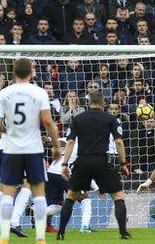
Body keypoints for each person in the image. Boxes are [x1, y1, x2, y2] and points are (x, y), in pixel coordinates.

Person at [0, 57, 61, 244]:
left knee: (7, 193)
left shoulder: (4, 93)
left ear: (14, 72)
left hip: (11, 149)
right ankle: (40, 238)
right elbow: (47, 122)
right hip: (33, 149)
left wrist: (11, 133)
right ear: (31, 72)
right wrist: (55, 146)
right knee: (38, 193)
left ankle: (4, 237)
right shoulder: (39, 92)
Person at [57, 91, 131, 240]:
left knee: (71, 196)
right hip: (102, 161)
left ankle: (61, 232)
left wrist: (64, 164)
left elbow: (70, 142)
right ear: (103, 103)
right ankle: (123, 233)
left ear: (88, 103)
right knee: (118, 196)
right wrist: (124, 164)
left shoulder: (78, 119)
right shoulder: (110, 119)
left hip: (82, 162)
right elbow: (119, 142)